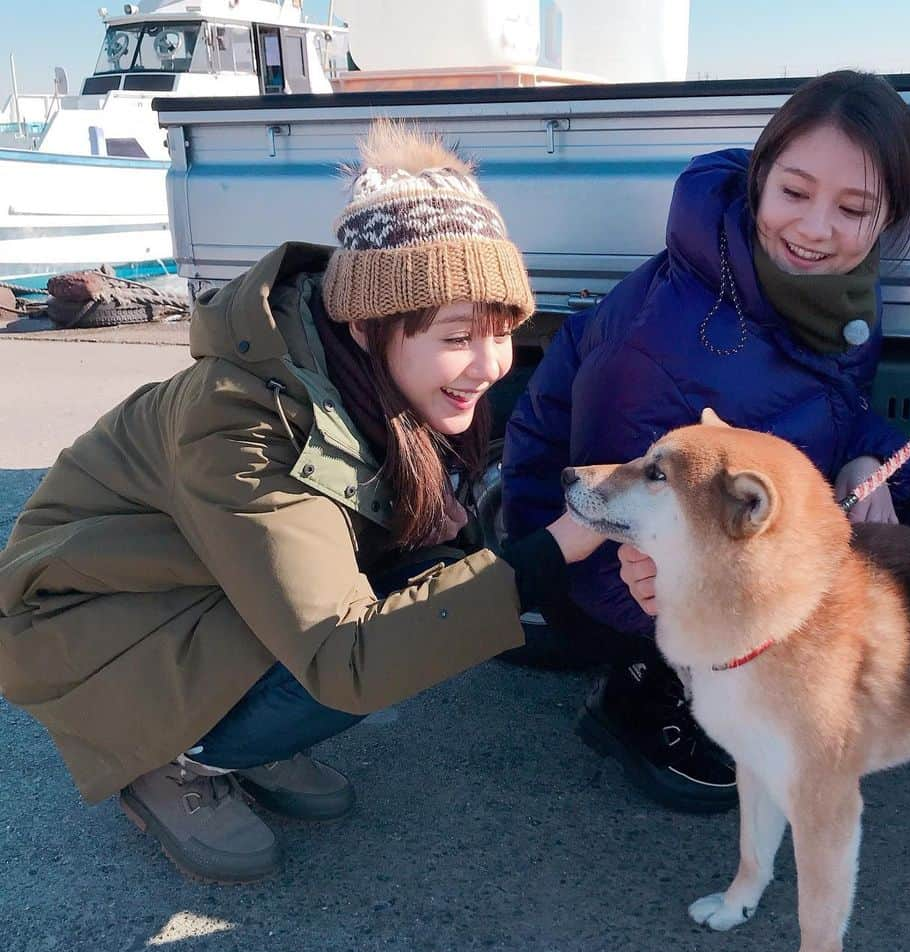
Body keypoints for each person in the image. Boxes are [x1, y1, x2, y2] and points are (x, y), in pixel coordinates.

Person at [0, 123, 604, 883]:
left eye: (503, 332)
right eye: (457, 337)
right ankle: (171, 758)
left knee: (429, 588)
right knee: (366, 661)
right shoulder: (240, 421)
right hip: (90, 620)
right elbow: (343, 655)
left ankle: (240, 730)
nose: (489, 366)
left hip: (196, 583)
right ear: (367, 323)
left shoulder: (368, 379)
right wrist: (559, 549)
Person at [502, 70, 910, 814]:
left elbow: (840, 418)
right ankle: (636, 695)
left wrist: (867, 464)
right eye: (794, 193)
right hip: (588, 560)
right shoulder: (661, 344)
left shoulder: (837, 293)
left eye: (853, 208)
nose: (816, 230)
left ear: (886, 216)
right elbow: (604, 528)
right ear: (759, 181)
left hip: (731, 522)